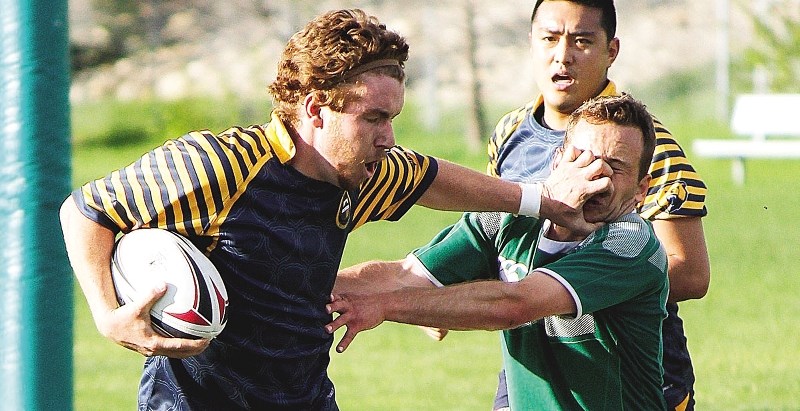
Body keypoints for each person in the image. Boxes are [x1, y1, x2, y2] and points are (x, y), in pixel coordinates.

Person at [59, 9, 612, 410]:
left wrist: (544, 200)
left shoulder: (360, 174)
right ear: (317, 109)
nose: (388, 137)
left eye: (393, 117)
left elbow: (435, 178)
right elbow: (85, 211)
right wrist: (110, 314)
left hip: (304, 398)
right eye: (374, 118)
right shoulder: (218, 164)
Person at [436, 1, 709, 409]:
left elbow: (690, 271)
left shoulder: (646, 143)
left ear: (611, 51)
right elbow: (500, 237)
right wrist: (448, 291)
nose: (562, 55)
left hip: (628, 375)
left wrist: (568, 286)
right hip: (531, 357)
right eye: (549, 38)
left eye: (581, 41)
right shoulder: (510, 132)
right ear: (531, 42)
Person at [329, 94, 669, 410]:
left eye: (615, 166)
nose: (595, 175)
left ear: (641, 189)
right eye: (582, 157)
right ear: (556, 160)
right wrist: (303, 289)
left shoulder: (630, 245)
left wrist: (382, 306)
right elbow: (403, 276)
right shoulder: (509, 219)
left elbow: (513, 306)